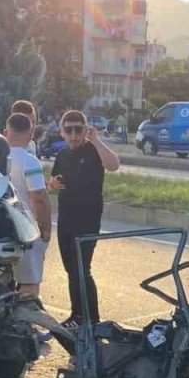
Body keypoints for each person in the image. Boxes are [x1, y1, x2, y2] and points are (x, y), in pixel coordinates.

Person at [49, 110, 121, 326]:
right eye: (68, 130)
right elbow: (53, 180)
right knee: (71, 270)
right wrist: (51, 184)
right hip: (66, 219)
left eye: (78, 129)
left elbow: (114, 165)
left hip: (87, 220)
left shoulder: (93, 150)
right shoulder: (62, 155)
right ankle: (77, 315)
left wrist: (95, 139)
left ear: (85, 129)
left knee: (83, 269)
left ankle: (92, 319)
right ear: (62, 132)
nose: (73, 135)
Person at [3, 113, 51, 297]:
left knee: (2, 282)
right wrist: (45, 229)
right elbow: (39, 197)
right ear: (31, 135)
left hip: (2, 231)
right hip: (27, 231)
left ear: (6, 132)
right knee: (28, 286)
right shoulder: (30, 162)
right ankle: (24, 322)